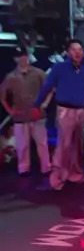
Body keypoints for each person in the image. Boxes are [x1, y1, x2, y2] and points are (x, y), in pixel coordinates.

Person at [34, 39, 84, 190]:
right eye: (74, 49)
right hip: (64, 111)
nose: (77, 53)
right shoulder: (59, 68)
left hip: (80, 111)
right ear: (67, 52)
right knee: (63, 145)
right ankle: (57, 178)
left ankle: (75, 175)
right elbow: (47, 86)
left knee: (78, 146)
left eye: (80, 50)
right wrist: (37, 104)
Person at [0, 45, 52, 175]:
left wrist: (45, 103)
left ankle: (46, 167)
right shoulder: (10, 77)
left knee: (42, 143)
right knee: (22, 145)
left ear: (27, 56)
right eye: (18, 56)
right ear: (15, 59)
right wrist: (10, 111)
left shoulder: (38, 73)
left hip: (38, 115)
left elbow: (50, 89)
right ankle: (23, 169)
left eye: (23, 55)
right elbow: (2, 96)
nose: (22, 59)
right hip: (20, 116)